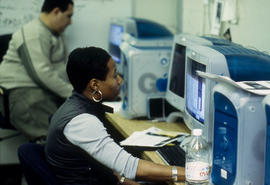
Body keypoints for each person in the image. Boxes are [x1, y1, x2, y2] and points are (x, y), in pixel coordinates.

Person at [45, 46, 185, 185]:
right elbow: (130, 167)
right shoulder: (82, 122)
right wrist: (190, 173)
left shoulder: (75, 105)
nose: (120, 80)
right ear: (94, 85)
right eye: (114, 75)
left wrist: (123, 180)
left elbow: (104, 166)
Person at [0, 0, 74, 142]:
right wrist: (72, 93)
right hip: (20, 92)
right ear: (56, 11)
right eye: (68, 16)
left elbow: (64, 67)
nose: (70, 22)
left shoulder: (57, 34)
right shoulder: (33, 33)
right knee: (57, 137)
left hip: (40, 89)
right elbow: (42, 74)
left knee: (73, 119)